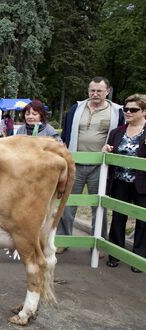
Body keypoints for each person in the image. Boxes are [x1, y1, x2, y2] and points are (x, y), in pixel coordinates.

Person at [57, 76, 125, 253]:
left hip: (100, 166)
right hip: (75, 163)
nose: (95, 94)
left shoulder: (117, 112)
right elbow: (65, 133)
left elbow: (121, 135)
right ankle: (63, 240)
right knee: (68, 203)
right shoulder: (76, 108)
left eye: (99, 91)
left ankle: (99, 243)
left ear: (107, 91)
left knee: (99, 205)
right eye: (92, 90)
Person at [102, 94, 146, 272]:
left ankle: (138, 257)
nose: (128, 112)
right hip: (120, 181)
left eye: (133, 109)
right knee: (118, 218)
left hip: (142, 184)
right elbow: (110, 150)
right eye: (125, 109)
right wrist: (106, 149)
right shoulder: (117, 132)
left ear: (144, 112)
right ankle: (115, 253)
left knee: (142, 221)